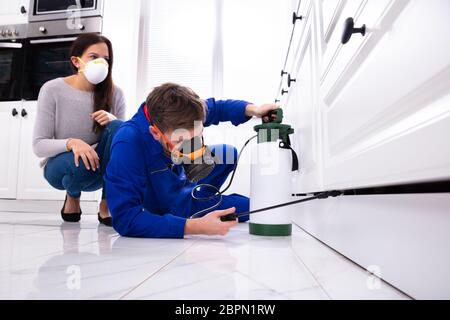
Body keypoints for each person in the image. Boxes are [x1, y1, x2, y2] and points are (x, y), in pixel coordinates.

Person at [105, 82, 278, 238]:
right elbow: (125, 219)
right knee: (255, 206)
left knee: (227, 153)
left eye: (197, 136)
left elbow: (218, 108)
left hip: (183, 182)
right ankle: (191, 209)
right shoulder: (128, 142)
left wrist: (254, 109)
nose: (192, 147)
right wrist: (194, 226)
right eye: (181, 141)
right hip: (169, 201)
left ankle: (202, 197)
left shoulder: (184, 112)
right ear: (155, 133)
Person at [32, 33, 126, 226]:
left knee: (120, 127)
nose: (101, 63)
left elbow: (124, 144)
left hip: (100, 167)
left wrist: (113, 120)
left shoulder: (116, 93)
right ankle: (72, 196)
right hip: (63, 167)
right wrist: (72, 143)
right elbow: (39, 145)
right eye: (94, 57)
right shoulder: (53, 89)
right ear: (76, 61)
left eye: (106, 59)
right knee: (78, 166)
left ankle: (106, 203)